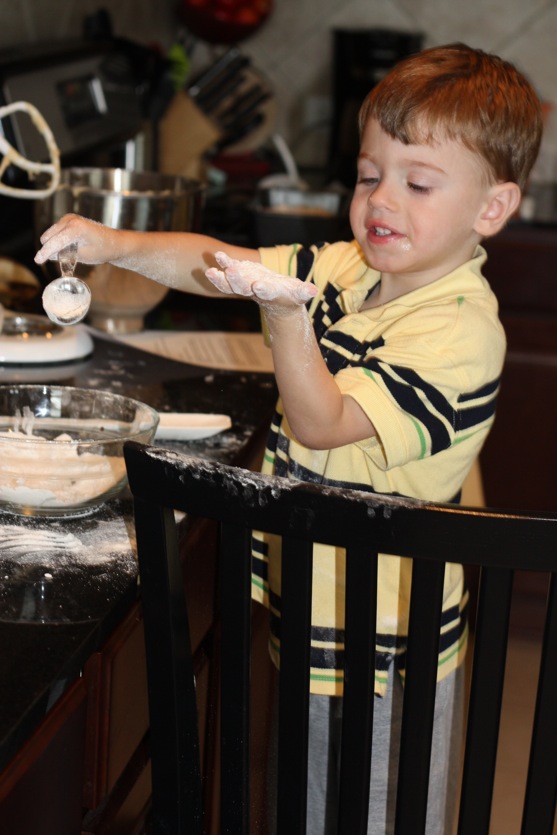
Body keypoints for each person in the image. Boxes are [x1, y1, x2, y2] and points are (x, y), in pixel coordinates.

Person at [35, 42, 543, 834]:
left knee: (367, 815)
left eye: (417, 183)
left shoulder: (458, 328)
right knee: (303, 804)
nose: (382, 199)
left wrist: (283, 315)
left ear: (491, 208)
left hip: (384, 641)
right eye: (370, 174)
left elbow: (321, 419)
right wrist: (111, 242)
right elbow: (219, 262)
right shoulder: (349, 268)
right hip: (317, 600)